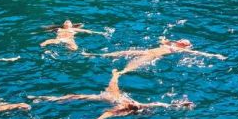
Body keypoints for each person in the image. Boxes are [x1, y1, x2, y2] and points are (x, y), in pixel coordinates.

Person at [30, 69, 194, 119]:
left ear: (130, 107)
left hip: (105, 97)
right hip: (114, 94)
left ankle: (45, 98)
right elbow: (160, 104)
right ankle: (115, 74)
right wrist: (180, 105)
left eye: (133, 103)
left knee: (74, 96)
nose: (134, 101)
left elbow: (107, 114)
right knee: (115, 79)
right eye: (135, 102)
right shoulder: (140, 105)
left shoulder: (121, 108)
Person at [86, 37, 226, 75]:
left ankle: (121, 73)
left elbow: (197, 53)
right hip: (146, 51)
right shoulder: (171, 44)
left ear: (183, 45)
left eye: (182, 41)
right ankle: (96, 54)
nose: (179, 41)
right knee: (124, 52)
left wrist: (215, 55)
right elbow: (161, 41)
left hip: (152, 56)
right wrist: (163, 39)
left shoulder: (179, 50)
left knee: (134, 64)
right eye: (180, 40)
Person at [40, 19, 107, 51]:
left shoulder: (74, 29)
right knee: (44, 43)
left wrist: (100, 33)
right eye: (66, 22)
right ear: (63, 24)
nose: (67, 22)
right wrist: (36, 33)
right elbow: (47, 31)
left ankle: (66, 49)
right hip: (59, 39)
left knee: (75, 48)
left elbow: (86, 31)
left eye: (69, 22)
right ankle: (45, 50)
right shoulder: (58, 29)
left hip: (69, 40)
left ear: (71, 25)